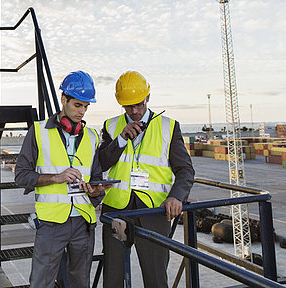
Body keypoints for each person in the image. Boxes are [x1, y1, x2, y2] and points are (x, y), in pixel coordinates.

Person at [99, 71, 195, 288]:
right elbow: (101, 163)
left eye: (139, 105)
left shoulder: (168, 127)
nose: (134, 111)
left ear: (148, 97)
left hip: (154, 211)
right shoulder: (111, 126)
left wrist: (176, 197)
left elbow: (186, 171)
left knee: (155, 279)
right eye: (128, 106)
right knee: (112, 278)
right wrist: (121, 140)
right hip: (116, 210)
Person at [15, 70, 110, 288]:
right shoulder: (38, 132)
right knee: (41, 283)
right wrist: (56, 177)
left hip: (84, 224)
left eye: (86, 107)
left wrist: (96, 192)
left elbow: (96, 179)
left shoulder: (93, 136)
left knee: (80, 283)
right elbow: (21, 176)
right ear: (63, 99)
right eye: (78, 105)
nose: (82, 112)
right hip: (51, 224)